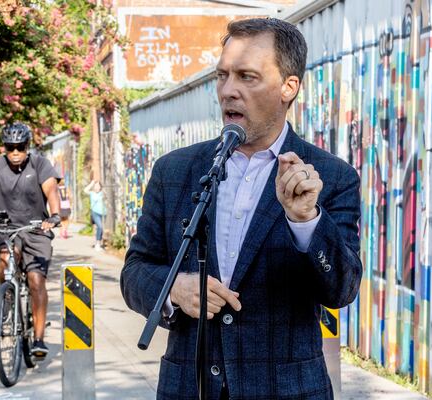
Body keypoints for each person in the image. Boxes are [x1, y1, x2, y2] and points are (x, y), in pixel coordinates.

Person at [120, 18, 362, 400]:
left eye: (247, 77)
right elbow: (134, 273)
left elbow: (341, 289)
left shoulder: (330, 176)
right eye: (222, 75)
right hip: (188, 388)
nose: (228, 91)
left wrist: (306, 222)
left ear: (288, 87)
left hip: (288, 391)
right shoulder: (175, 171)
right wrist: (175, 290)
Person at [0, 122, 61, 358]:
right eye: (10, 147)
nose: (15, 152)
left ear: (27, 146)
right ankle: (8, 295)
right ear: (4, 147)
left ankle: (38, 339)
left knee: (36, 280)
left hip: (36, 229)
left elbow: (51, 190)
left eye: (19, 147)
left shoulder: (39, 164)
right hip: (5, 228)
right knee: (7, 259)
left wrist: (55, 215)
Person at [84, 180, 106, 251]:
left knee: (101, 229)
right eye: (95, 186)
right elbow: (85, 190)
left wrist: (103, 191)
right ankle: (97, 244)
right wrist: (91, 183)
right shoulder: (92, 193)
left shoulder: (102, 193)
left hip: (102, 213)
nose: (97, 187)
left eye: (98, 186)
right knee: (100, 227)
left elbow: (106, 196)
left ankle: (99, 243)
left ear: (100, 187)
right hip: (95, 212)